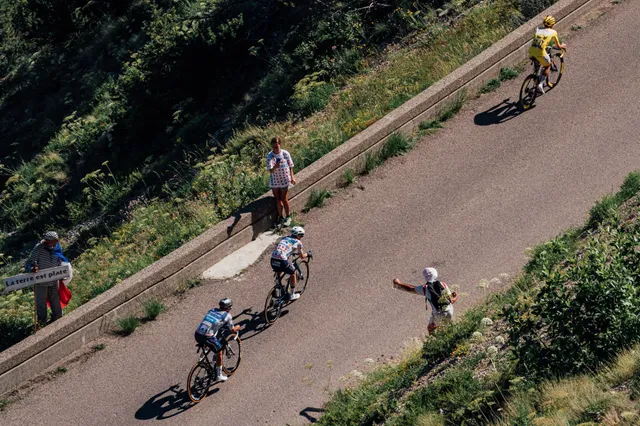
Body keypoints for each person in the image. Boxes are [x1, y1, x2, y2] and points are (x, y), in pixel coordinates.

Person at [392, 267, 458, 335]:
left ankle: (435, 342)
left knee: (436, 329)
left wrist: (398, 283)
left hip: (438, 314)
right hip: (449, 311)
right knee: (437, 327)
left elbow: (410, 288)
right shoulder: (443, 285)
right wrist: (456, 296)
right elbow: (451, 301)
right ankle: (440, 340)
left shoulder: (425, 288)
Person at [194, 298, 241, 382]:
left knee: (211, 338)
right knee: (219, 352)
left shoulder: (212, 310)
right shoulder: (227, 316)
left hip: (197, 334)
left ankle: (203, 354)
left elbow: (212, 323)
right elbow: (232, 330)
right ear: (228, 308)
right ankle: (219, 376)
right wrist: (238, 327)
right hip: (207, 337)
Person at [25, 231, 65, 326]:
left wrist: (63, 272)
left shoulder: (57, 247)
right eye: (53, 241)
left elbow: (60, 259)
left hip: (54, 280)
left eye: (56, 241)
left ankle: (58, 319)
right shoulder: (38, 248)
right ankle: (42, 323)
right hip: (41, 282)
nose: (56, 243)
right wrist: (32, 268)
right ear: (47, 241)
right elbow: (29, 263)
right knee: (41, 304)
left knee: (55, 300)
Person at [528, 15, 567, 94]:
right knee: (547, 66)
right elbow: (558, 46)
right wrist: (563, 46)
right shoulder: (553, 32)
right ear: (552, 24)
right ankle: (540, 84)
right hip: (540, 52)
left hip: (531, 51)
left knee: (537, 66)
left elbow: (540, 39)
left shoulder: (538, 29)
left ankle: (535, 78)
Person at [270, 226, 309, 301]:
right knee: (293, 272)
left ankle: (277, 285)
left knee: (281, 269)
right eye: (301, 235)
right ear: (298, 235)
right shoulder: (298, 242)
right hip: (282, 260)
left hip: (273, 259)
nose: (301, 237)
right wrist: (308, 254)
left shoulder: (284, 238)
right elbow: (301, 256)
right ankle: (292, 294)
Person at [266, 136, 296, 227]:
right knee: (277, 199)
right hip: (275, 181)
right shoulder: (270, 156)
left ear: (280, 144)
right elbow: (270, 170)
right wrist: (276, 166)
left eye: (276, 146)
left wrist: (292, 177)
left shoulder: (285, 153)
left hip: (284, 179)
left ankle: (288, 216)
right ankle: (280, 217)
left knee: (284, 198)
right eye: (273, 147)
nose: (275, 148)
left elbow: (290, 166)